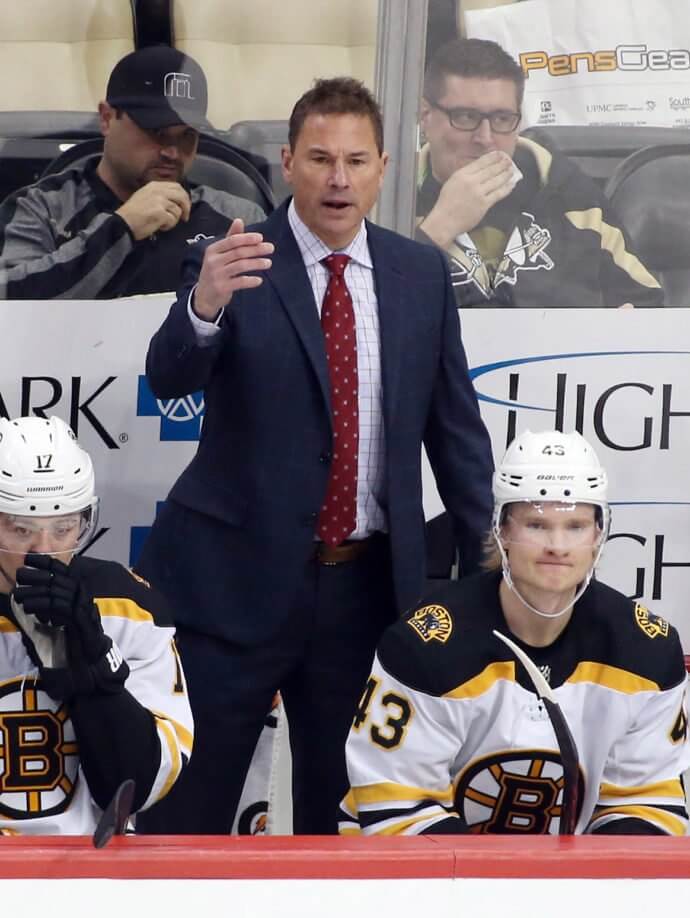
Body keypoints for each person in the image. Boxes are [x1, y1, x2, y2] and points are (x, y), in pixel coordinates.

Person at [134, 76, 494, 835]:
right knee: (189, 811)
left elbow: (453, 426)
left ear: (385, 167)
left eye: (357, 161)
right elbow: (170, 377)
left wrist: (484, 551)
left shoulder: (420, 274)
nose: (339, 179)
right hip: (235, 586)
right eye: (321, 158)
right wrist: (203, 307)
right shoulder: (231, 260)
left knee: (345, 820)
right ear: (287, 161)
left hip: (363, 592)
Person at [341, 429, 689, 836]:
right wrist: (498, 892)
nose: (557, 546)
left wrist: (583, 891)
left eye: (575, 526)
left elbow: (648, 805)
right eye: (537, 525)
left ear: (598, 535)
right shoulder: (425, 647)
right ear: (501, 530)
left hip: (566, 887)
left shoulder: (645, 650)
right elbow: (397, 809)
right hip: (419, 884)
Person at [0, 415, 193, 835]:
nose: (44, 552)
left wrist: (92, 660)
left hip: (86, 870)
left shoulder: (129, 606)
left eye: (63, 528)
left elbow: (138, 786)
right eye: (20, 529)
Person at [0, 45, 263, 299]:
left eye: (186, 136)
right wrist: (121, 228)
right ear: (106, 118)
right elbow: (10, 301)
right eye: (155, 132)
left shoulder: (236, 217)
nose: (172, 152)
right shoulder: (44, 209)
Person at [416, 38, 664, 308]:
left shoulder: (569, 196)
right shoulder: (389, 198)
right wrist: (438, 229)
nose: (485, 138)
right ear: (425, 115)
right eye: (465, 117)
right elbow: (368, 308)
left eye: (501, 119)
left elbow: (647, 303)